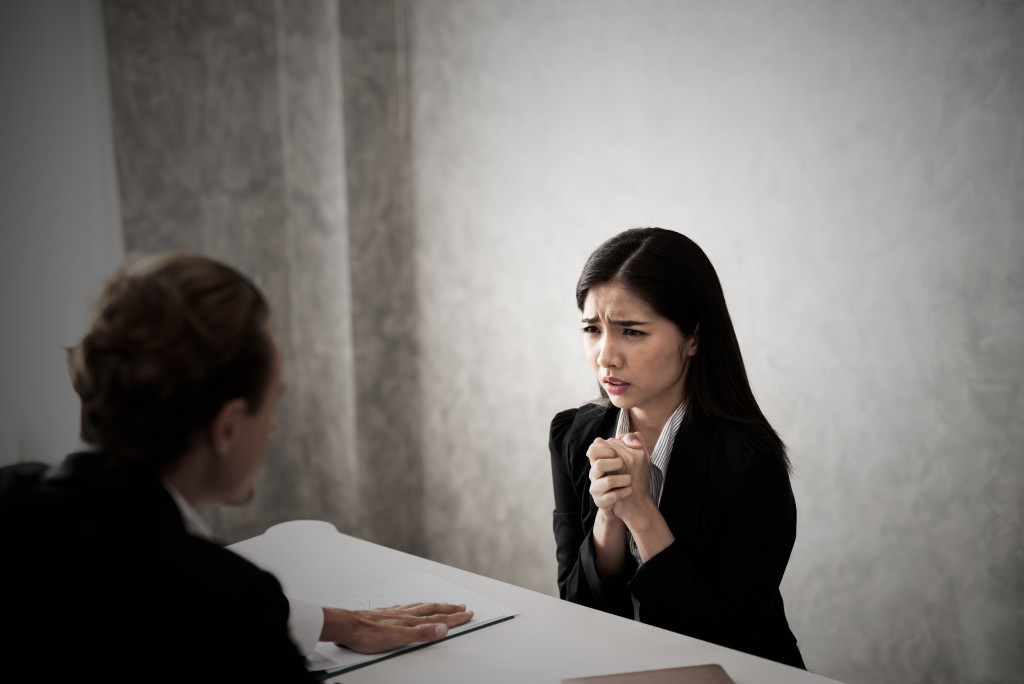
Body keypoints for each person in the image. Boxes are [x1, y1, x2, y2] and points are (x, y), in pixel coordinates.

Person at [0, 253, 472, 682]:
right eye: (270, 407)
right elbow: (198, 604)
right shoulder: (228, 605)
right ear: (227, 428)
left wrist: (332, 621)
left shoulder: (14, 498)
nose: (272, 428)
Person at [549, 228, 805, 669]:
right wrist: (609, 514)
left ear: (693, 338)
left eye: (631, 331)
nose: (605, 356)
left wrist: (641, 513)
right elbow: (576, 611)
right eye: (592, 329)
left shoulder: (748, 462)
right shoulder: (573, 435)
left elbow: (727, 645)